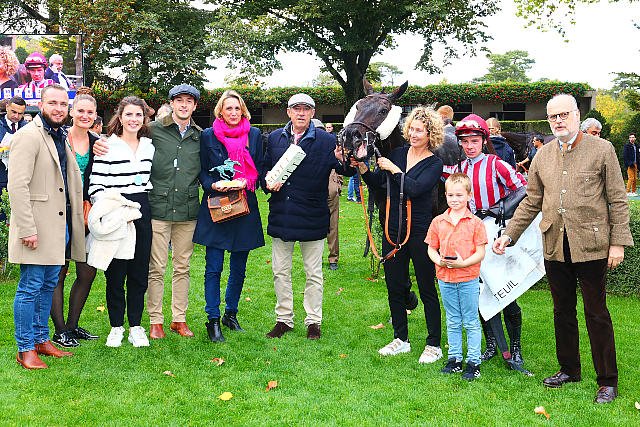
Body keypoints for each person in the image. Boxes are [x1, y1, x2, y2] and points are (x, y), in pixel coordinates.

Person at [493, 93, 633, 404]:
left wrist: (618, 243)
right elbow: (531, 202)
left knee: (596, 313)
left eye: (564, 114)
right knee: (562, 311)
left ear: (577, 115)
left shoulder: (602, 149)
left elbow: (617, 199)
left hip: (593, 245)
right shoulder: (542, 156)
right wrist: (509, 235)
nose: (558, 120)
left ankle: (607, 380)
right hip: (555, 245)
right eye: (553, 116)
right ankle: (569, 369)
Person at [262, 93, 353, 340]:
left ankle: (313, 321)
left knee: (313, 273)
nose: (301, 113)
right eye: (296, 109)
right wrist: (267, 183)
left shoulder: (326, 140)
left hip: (313, 215)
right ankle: (284, 319)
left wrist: (346, 159)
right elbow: (265, 170)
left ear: (313, 113)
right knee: (280, 271)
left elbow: (345, 169)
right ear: (288, 112)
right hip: (282, 214)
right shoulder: (275, 138)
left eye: (306, 109)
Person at [443, 114, 528, 372]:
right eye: (465, 141)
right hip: (471, 237)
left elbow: (524, 188)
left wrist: (500, 208)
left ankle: (515, 347)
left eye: (474, 140)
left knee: (506, 293)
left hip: (496, 235)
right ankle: (491, 343)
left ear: (483, 140)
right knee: (479, 293)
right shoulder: (458, 169)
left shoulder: (496, 164)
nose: (469, 146)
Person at [358, 106, 444, 362]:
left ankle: (434, 344)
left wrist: (395, 170)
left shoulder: (434, 163)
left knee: (427, 288)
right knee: (394, 286)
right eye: (412, 129)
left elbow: (415, 189)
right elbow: (380, 185)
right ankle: (400, 339)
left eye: (420, 131)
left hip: (420, 231)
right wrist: (364, 170)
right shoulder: (397, 153)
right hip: (393, 230)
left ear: (431, 134)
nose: (414, 134)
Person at [8, 84, 85, 369]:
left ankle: (41, 339)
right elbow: (17, 186)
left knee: (48, 284)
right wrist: (27, 228)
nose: (58, 108)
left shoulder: (59, 135)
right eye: (53, 103)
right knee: (30, 287)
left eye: (63, 104)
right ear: (41, 104)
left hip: (58, 226)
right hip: (36, 227)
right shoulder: (29, 136)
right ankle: (25, 348)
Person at [193, 90, 264, 342]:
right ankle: (213, 319)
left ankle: (230, 314)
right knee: (214, 267)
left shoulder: (254, 135)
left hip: (244, 205)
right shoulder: (208, 135)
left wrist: (249, 180)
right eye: (228, 108)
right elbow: (202, 170)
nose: (233, 113)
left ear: (242, 110)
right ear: (220, 112)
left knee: (239, 268)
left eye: (237, 108)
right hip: (218, 204)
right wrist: (212, 185)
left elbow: (260, 167)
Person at [89, 96, 155, 348]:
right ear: (120, 117)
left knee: (139, 272)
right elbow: (96, 184)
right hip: (116, 209)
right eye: (129, 114)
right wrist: (108, 210)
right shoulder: (107, 145)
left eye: (138, 115)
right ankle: (116, 326)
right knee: (116, 274)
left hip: (141, 210)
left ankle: (136, 326)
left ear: (144, 118)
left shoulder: (148, 146)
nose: (133, 119)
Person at [49, 94, 100, 348]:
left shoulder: (98, 143)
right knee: (58, 272)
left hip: (87, 213)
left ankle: (72, 325)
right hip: (60, 211)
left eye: (90, 112)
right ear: (72, 112)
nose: (85, 116)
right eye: (80, 111)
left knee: (87, 271)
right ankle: (60, 331)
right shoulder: (58, 138)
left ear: (95, 115)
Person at [426, 173, 487, 380]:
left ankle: (473, 362)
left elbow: (480, 252)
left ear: (469, 196)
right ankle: (454, 359)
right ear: (445, 195)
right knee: (452, 319)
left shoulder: (476, 223)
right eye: (451, 195)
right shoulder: (438, 221)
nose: (455, 199)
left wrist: (463, 263)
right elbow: (431, 248)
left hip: (468, 278)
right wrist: (439, 260)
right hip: (445, 278)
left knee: (470, 320)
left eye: (459, 195)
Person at [312, 118, 342, 271]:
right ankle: (316, 258)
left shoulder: (330, 145)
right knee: (315, 224)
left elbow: (340, 164)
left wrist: (338, 183)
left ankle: (332, 258)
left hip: (330, 188)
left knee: (332, 225)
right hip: (314, 190)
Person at [0, 96, 27, 197]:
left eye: (20, 113)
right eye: (13, 112)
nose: (16, 116)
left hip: (21, 180)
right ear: (7, 107)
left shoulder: (27, 128)